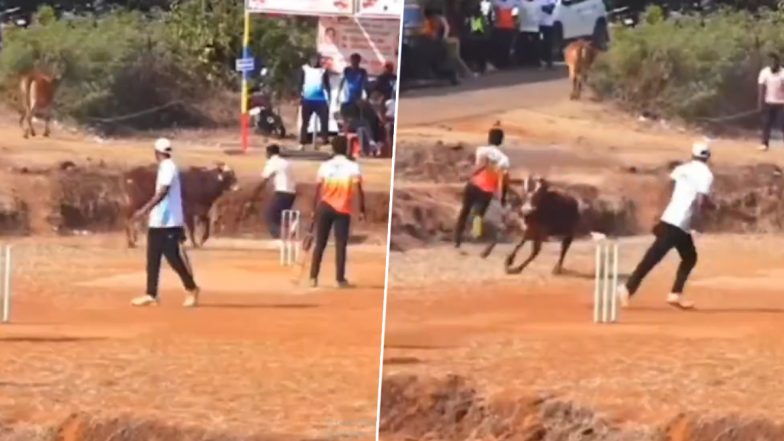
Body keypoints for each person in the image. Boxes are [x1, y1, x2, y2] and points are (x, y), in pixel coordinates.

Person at [617, 141, 714, 310]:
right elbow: (702, 201)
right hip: (679, 223)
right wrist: (710, 209)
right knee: (655, 258)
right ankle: (627, 289)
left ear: (692, 154)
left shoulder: (682, 169)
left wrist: (659, 213)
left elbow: (667, 189)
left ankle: (674, 294)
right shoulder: (706, 175)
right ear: (708, 156)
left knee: (687, 257)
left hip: (670, 218)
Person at [130, 138, 200, 308]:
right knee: (152, 258)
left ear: (157, 152)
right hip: (158, 220)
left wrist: (145, 209)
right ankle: (151, 294)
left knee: (173, 257)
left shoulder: (169, 167)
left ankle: (191, 288)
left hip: (170, 221)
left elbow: (163, 192)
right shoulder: (164, 167)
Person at [309, 135, 366, 288]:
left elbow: (318, 190)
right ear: (346, 147)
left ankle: (313, 277)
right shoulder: (353, 166)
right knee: (341, 244)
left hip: (325, 206)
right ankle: (339, 279)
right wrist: (361, 210)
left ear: (333, 148)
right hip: (342, 208)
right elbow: (358, 190)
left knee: (320, 243)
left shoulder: (325, 166)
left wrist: (314, 209)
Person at [454, 125, 510, 249]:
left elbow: (480, 164)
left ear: (489, 138)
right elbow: (504, 179)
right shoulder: (504, 159)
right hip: (487, 190)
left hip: (473, 184)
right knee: (478, 215)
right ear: (501, 141)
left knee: (465, 211)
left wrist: (468, 175)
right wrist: (503, 197)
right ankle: (475, 235)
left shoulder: (480, 150)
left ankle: (457, 238)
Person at [249, 144, 297, 239]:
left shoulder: (272, 163)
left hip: (282, 192)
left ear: (269, 153)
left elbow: (264, 180)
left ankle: (279, 236)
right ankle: (291, 223)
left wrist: (253, 195)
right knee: (279, 215)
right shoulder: (286, 162)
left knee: (269, 215)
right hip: (291, 193)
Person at [299, 53, 331, 150]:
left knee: (324, 121)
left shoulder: (323, 71)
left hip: (320, 100)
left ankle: (324, 139)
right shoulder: (304, 69)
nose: (315, 62)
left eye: (317, 60)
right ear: (310, 60)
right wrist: (299, 96)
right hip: (307, 99)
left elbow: (327, 85)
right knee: (305, 122)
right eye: (313, 59)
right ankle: (303, 141)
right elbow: (300, 83)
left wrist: (329, 97)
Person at [758, 53, 784, 151]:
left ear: (778, 63)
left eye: (775, 62)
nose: (773, 64)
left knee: (783, 124)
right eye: (771, 62)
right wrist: (760, 104)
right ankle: (764, 143)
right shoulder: (764, 72)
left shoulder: (783, 73)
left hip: (781, 103)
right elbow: (761, 88)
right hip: (769, 102)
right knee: (766, 123)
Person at [338, 53, 368, 120]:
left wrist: (365, 95)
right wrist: (338, 94)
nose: (354, 62)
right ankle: (345, 129)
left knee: (356, 116)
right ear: (350, 60)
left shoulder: (362, 71)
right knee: (345, 116)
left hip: (357, 97)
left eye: (356, 60)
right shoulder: (346, 70)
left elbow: (365, 84)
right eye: (353, 60)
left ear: (359, 61)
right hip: (347, 96)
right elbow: (341, 82)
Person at [491, 0, 520, 69]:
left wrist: (516, 24)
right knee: (500, 45)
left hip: (510, 26)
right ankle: (500, 63)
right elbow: (495, 12)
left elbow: (515, 13)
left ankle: (506, 63)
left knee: (507, 45)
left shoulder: (513, 1)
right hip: (499, 27)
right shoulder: (496, 2)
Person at [516, 0, 541, 67]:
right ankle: (524, 61)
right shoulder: (521, 2)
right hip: (524, 27)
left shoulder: (538, 2)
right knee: (523, 45)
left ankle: (535, 61)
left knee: (536, 46)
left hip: (535, 27)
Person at [539, 0, 556, 69]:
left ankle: (548, 61)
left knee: (548, 42)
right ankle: (540, 60)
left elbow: (551, 8)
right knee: (539, 42)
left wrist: (542, 8)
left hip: (547, 24)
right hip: (537, 23)